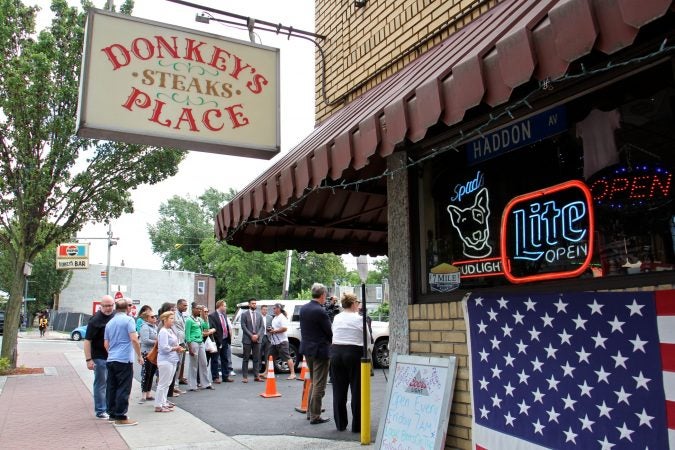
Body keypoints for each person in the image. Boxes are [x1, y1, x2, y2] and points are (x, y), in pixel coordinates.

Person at [330, 293, 367, 432]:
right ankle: (357, 425)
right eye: (357, 302)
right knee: (357, 390)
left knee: (339, 390)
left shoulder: (337, 318)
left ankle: (340, 424)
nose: (358, 305)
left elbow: (334, 333)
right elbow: (367, 339)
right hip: (353, 352)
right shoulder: (359, 319)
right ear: (353, 304)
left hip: (336, 352)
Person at [104, 299, 144, 427]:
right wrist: (139, 355)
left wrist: (112, 353)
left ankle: (112, 414)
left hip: (111, 358)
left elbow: (106, 344)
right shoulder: (129, 320)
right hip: (124, 359)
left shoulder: (110, 323)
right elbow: (134, 339)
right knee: (123, 387)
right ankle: (121, 416)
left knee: (112, 386)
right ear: (127, 308)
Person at [299, 283, 333, 424]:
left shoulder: (304, 308)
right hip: (320, 350)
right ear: (322, 295)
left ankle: (310, 411)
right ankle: (315, 415)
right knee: (320, 384)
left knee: (314, 381)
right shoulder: (320, 311)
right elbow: (329, 332)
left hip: (308, 349)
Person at [83, 295, 115, 419]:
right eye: (106, 306)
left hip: (112, 356)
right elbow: (87, 341)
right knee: (101, 383)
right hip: (99, 356)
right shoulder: (95, 320)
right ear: (101, 306)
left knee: (110, 383)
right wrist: (88, 359)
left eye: (111, 305)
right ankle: (101, 410)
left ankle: (108, 407)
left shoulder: (114, 317)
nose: (109, 308)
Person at [155, 311, 185, 413]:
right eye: (171, 318)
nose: (173, 320)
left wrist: (177, 348)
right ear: (165, 320)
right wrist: (176, 348)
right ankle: (158, 404)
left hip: (172, 359)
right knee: (162, 383)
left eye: (173, 318)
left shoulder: (170, 330)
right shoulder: (163, 331)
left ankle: (163, 402)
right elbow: (164, 348)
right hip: (165, 360)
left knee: (167, 382)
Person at [185, 304, 215, 391]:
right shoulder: (189, 320)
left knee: (204, 363)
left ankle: (205, 383)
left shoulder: (199, 319)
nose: (199, 310)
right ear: (193, 309)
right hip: (193, 342)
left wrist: (205, 317)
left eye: (200, 309)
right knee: (194, 364)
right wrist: (189, 348)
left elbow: (206, 327)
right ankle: (192, 385)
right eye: (197, 309)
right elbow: (187, 335)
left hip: (201, 342)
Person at [208, 300, 234, 383]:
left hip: (225, 340)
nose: (226, 307)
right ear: (220, 306)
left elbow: (226, 326)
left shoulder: (224, 315)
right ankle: (215, 377)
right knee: (215, 359)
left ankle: (225, 376)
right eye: (225, 306)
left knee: (225, 358)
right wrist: (217, 340)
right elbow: (212, 328)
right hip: (217, 341)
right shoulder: (212, 316)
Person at [240, 298, 265, 383]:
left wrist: (257, 335)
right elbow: (243, 326)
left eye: (255, 303)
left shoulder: (259, 315)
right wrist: (251, 335)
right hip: (247, 339)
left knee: (256, 358)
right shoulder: (244, 314)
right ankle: (245, 377)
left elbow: (262, 326)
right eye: (252, 303)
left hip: (257, 339)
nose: (254, 305)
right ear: (249, 304)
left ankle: (256, 376)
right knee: (246, 358)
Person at [269, 303, 296, 380]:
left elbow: (284, 328)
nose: (273, 310)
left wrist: (275, 331)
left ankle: (293, 373)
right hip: (274, 342)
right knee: (270, 357)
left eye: (274, 308)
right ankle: (266, 372)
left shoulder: (282, 317)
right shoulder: (275, 318)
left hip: (282, 341)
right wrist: (271, 330)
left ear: (278, 309)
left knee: (287, 357)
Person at [138, 309, 158, 403]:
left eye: (155, 316)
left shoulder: (155, 327)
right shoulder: (145, 327)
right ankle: (144, 394)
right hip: (147, 353)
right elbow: (145, 340)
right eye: (152, 317)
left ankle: (149, 393)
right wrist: (157, 342)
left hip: (154, 353)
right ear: (147, 318)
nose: (154, 318)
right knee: (146, 373)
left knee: (151, 373)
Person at [259, 305, 273, 374]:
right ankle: (259, 368)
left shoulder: (270, 317)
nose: (265, 311)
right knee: (259, 353)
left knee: (267, 354)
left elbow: (272, 326)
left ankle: (266, 369)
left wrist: (270, 328)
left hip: (268, 337)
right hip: (260, 337)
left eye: (266, 310)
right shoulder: (258, 317)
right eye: (264, 309)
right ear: (261, 310)